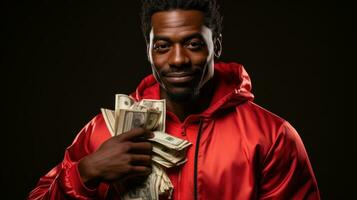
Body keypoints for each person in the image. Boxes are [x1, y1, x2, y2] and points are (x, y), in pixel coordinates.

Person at [28, 0, 320, 199]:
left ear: (215, 45)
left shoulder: (271, 137)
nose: (178, 59)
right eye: (163, 46)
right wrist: (86, 173)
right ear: (148, 50)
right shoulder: (103, 131)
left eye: (193, 44)